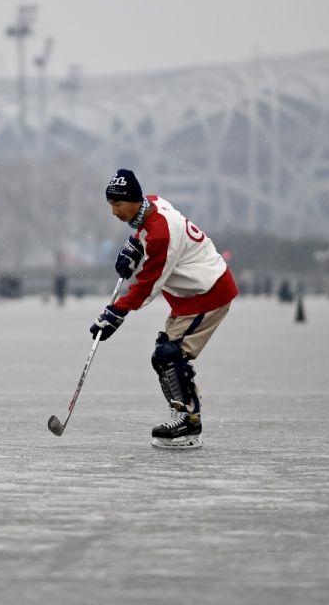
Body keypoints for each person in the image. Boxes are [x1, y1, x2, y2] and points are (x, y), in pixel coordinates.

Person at [90, 169, 237, 450]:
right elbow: (147, 228)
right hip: (192, 295)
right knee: (164, 356)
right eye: (110, 205)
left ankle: (188, 421)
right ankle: (183, 413)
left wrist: (114, 313)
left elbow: (148, 285)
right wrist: (134, 245)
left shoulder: (160, 235)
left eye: (117, 204)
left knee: (169, 354)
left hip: (208, 293)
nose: (114, 211)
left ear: (133, 200)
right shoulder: (153, 204)